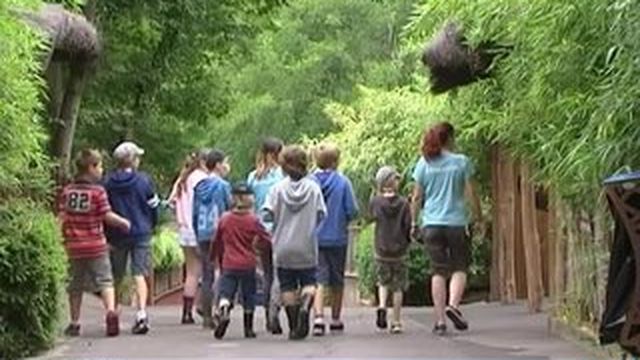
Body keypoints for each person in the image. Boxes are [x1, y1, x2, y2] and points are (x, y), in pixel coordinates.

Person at [410, 122, 482, 336]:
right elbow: (471, 194)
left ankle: (440, 320)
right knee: (460, 266)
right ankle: (453, 306)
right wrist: (478, 217)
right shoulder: (461, 162)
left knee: (438, 271)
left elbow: (416, 197)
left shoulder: (424, 163)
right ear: (450, 138)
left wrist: (414, 223)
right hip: (457, 223)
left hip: (431, 223)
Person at [58, 149, 131, 337]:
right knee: (105, 281)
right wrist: (123, 222)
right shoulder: (98, 192)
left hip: (73, 246)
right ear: (91, 168)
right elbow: (106, 215)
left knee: (75, 285)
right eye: (99, 166)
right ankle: (110, 312)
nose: (101, 170)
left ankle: (74, 322)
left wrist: (58, 236)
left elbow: (61, 217)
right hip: (96, 245)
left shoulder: (68, 191)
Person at [263, 145, 327, 340]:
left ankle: (293, 327)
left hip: (282, 246)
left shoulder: (277, 189)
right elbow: (321, 213)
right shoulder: (313, 188)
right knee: (309, 280)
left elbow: (267, 213)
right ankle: (307, 303)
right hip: (306, 244)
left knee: (287, 285)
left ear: (283, 166)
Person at [104, 141, 160, 335]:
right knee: (139, 273)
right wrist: (152, 225)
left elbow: (105, 209)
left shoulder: (108, 182)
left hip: (116, 234)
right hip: (141, 231)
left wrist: (107, 234)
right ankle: (142, 313)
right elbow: (153, 206)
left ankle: (113, 311)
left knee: (116, 275)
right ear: (133, 160)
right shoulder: (144, 181)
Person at [211, 183, 272, 340]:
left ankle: (224, 310)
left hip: (229, 263)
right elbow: (266, 238)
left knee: (226, 292)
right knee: (248, 295)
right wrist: (261, 248)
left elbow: (216, 240)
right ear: (249, 200)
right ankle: (248, 328)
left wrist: (214, 257)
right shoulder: (253, 220)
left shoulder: (225, 219)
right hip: (248, 263)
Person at [311, 143, 358, 336]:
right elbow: (353, 210)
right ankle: (336, 319)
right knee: (337, 280)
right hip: (338, 237)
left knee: (319, 279)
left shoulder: (310, 182)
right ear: (336, 161)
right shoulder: (343, 182)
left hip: (315, 238)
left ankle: (319, 318)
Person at [246, 137, 285, 334]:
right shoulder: (282, 176)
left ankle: (267, 311)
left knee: (268, 273)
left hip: (260, 231)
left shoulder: (253, 177)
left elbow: (250, 206)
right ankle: (274, 311)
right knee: (279, 273)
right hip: (279, 229)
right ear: (275, 154)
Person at [368, 166, 412, 334]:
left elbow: (371, 216)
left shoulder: (376, 201)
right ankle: (396, 321)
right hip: (399, 250)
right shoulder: (403, 203)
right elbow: (408, 226)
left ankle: (381, 306)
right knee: (398, 287)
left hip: (381, 249)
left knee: (383, 282)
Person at [168, 151, 209, 324]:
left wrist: (180, 216)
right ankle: (205, 305)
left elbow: (171, 202)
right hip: (199, 228)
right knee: (210, 269)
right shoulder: (202, 179)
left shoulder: (182, 179)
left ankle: (187, 313)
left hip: (184, 230)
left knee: (191, 272)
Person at [192, 148, 232, 328]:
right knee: (223, 271)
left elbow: (194, 212)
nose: (227, 166)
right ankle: (218, 309)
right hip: (220, 232)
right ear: (217, 165)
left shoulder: (199, 187)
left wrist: (197, 231)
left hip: (202, 231)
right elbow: (229, 209)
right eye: (225, 163)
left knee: (206, 273)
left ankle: (206, 316)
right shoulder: (223, 186)